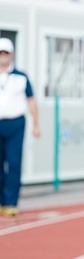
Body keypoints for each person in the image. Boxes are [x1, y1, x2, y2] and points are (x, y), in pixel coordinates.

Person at [0, 38, 40, 217]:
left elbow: (31, 100)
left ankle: (10, 202)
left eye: (5, 53)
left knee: (14, 163)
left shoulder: (21, 77)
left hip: (16, 124)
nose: (3, 56)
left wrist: (36, 123)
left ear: (11, 54)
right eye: (0, 53)